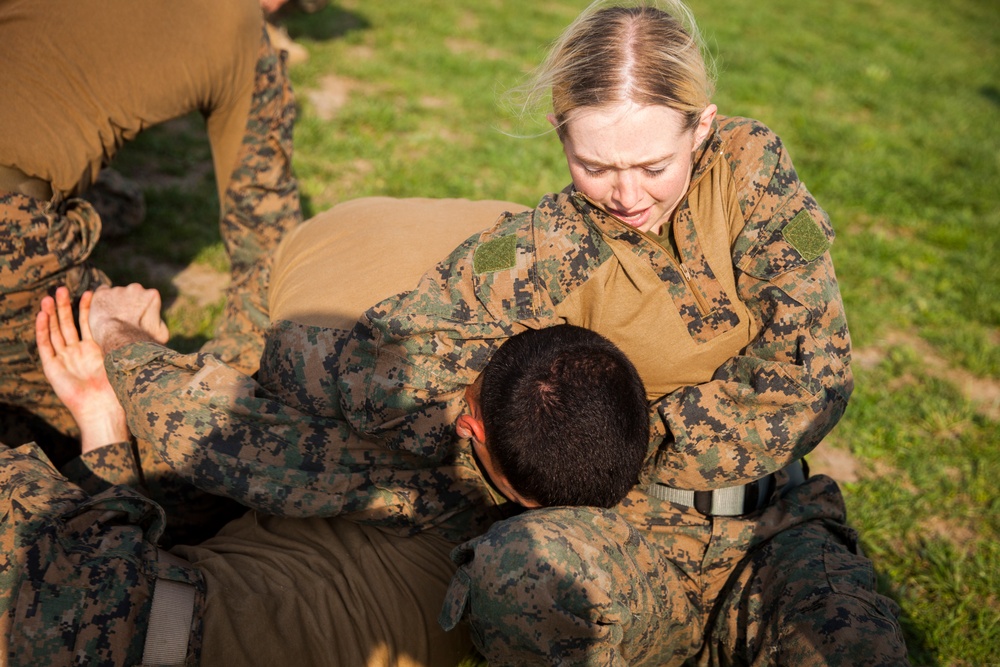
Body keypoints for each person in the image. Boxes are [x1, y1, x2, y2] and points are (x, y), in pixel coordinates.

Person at [78, 0, 909, 663]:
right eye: (596, 165)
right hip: (625, 539)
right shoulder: (544, 246)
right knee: (521, 581)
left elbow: (810, 378)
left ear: (703, 125)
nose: (626, 194)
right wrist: (301, 362)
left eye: (653, 165)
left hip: (771, 528)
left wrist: (604, 440)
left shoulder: (751, 181)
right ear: (562, 140)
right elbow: (386, 364)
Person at [0, 284, 648, 665]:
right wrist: (98, 415)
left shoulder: (419, 481)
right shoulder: (501, 578)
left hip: (88, 608)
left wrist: (120, 330)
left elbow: (202, 424)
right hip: (121, 605)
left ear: (470, 428)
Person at [0, 0, 302, 466]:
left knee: (119, 204)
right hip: (11, 237)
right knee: (178, 462)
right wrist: (236, 386)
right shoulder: (238, 26)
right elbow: (267, 242)